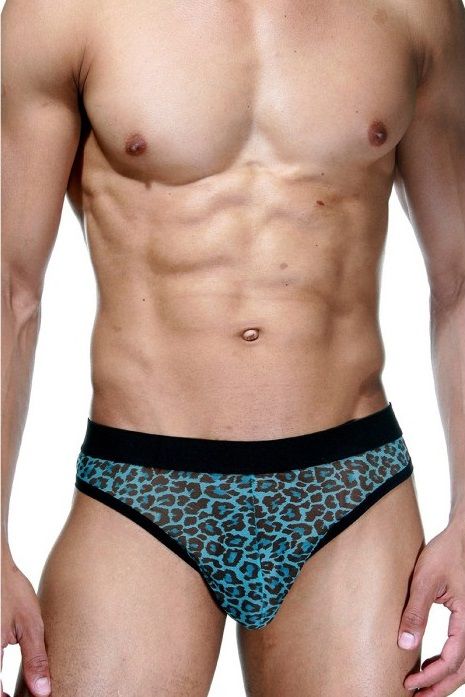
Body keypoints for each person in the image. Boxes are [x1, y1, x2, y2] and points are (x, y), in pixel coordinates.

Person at [2, 0, 465, 695]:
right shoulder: (63, 12)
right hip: (142, 487)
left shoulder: (416, 11)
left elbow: (458, 278)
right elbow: (11, 289)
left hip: (348, 490)